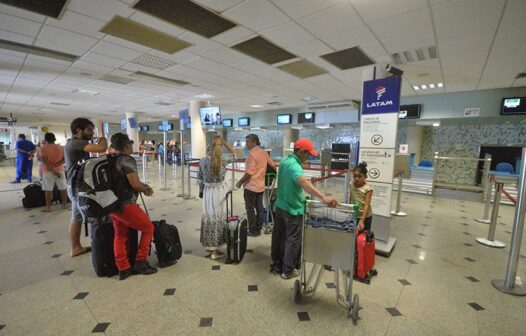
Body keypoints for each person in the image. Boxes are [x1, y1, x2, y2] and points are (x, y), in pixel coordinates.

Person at [271, 138, 338, 279]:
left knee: (279, 236)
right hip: (292, 209)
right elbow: (302, 181)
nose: (308, 157)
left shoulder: (284, 161)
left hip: (280, 206)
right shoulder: (295, 165)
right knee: (293, 239)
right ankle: (288, 270)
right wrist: (322, 197)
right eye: (307, 154)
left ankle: (277, 264)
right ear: (301, 151)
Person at [109, 133, 157, 280]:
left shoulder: (110, 159)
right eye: (130, 144)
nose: (131, 146)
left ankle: (123, 268)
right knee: (148, 228)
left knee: (120, 235)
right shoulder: (126, 159)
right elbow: (135, 184)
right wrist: (146, 188)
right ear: (126, 146)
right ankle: (140, 261)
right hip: (126, 204)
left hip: (111, 205)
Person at [64, 118, 107, 257]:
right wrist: (103, 138)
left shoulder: (72, 143)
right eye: (89, 129)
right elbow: (101, 149)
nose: (91, 132)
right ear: (78, 130)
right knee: (92, 217)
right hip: (77, 188)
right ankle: (99, 248)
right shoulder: (76, 143)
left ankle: (76, 248)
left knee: (76, 217)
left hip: (74, 186)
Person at [197, 135, 236, 259]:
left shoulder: (202, 160)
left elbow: (200, 179)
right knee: (219, 217)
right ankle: (215, 251)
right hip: (219, 192)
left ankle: (209, 247)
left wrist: (202, 192)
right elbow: (235, 154)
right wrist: (224, 142)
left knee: (209, 216)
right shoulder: (222, 159)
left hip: (208, 192)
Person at [235, 134, 276, 236]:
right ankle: (258, 229)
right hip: (260, 186)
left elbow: (249, 173)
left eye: (248, 142)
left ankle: (253, 230)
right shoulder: (264, 153)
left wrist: (240, 182)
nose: (246, 144)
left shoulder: (251, 155)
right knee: (259, 208)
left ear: (254, 142)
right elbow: (273, 166)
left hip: (251, 186)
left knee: (250, 209)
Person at [39, 133, 68, 212]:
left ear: (46, 140)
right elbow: (64, 159)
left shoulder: (43, 148)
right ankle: (65, 204)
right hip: (60, 170)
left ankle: (48, 207)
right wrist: (55, 166)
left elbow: (44, 161)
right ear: (54, 139)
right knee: (63, 187)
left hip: (48, 171)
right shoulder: (61, 148)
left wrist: (52, 169)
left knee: (48, 189)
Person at [349, 162, 373, 232]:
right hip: (355, 215)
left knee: (363, 237)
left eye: (359, 176)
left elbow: (366, 206)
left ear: (365, 177)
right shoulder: (351, 184)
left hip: (365, 217)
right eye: (354, 176)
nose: (356, 178)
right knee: (353, 235)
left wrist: (362, 221)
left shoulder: (368, 189)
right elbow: (351, 197)